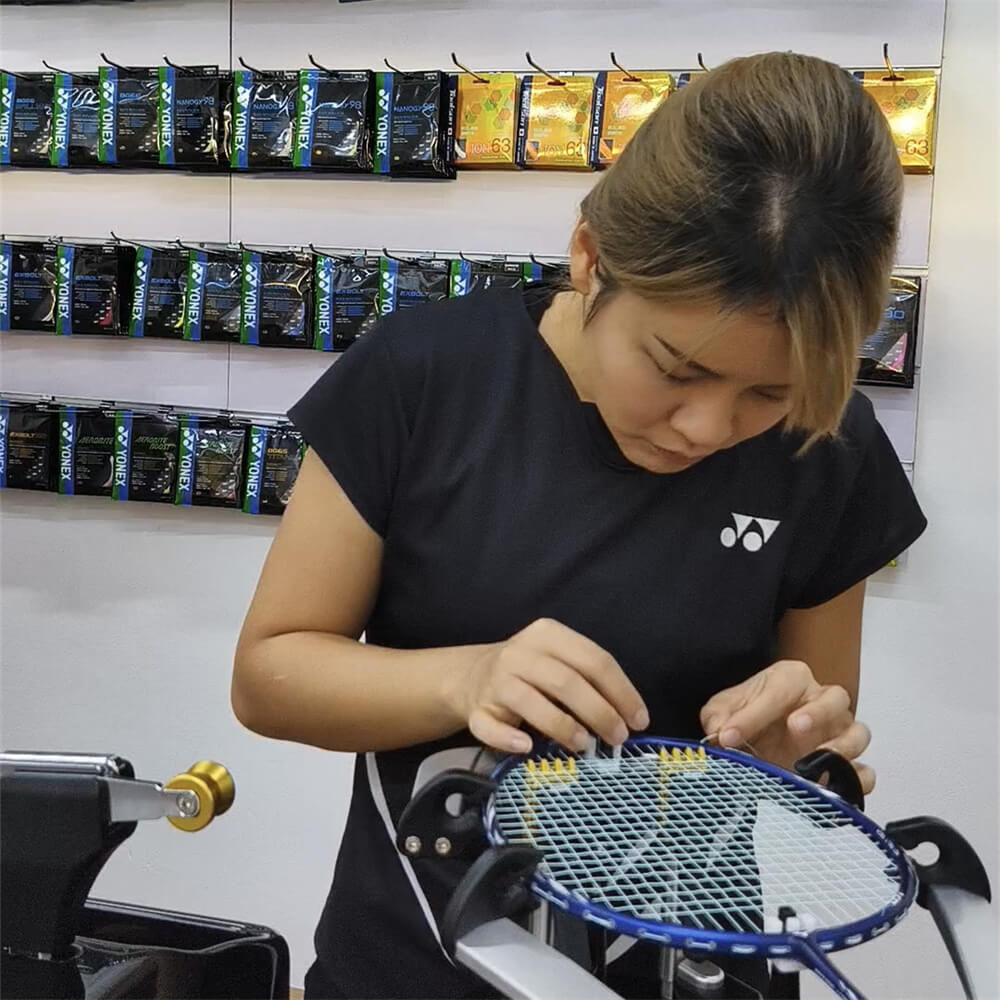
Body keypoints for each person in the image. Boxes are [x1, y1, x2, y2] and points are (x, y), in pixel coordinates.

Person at [232, 51, 926, 999]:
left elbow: (811, 738)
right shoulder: (426, 376)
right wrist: (465, 676)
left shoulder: (829, 445)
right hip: (421, 960)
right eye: (677, 369)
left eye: (773, 390)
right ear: (592, 260)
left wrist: (796, 759)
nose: (709, 429)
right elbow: (272, 675)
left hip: (701, 966)